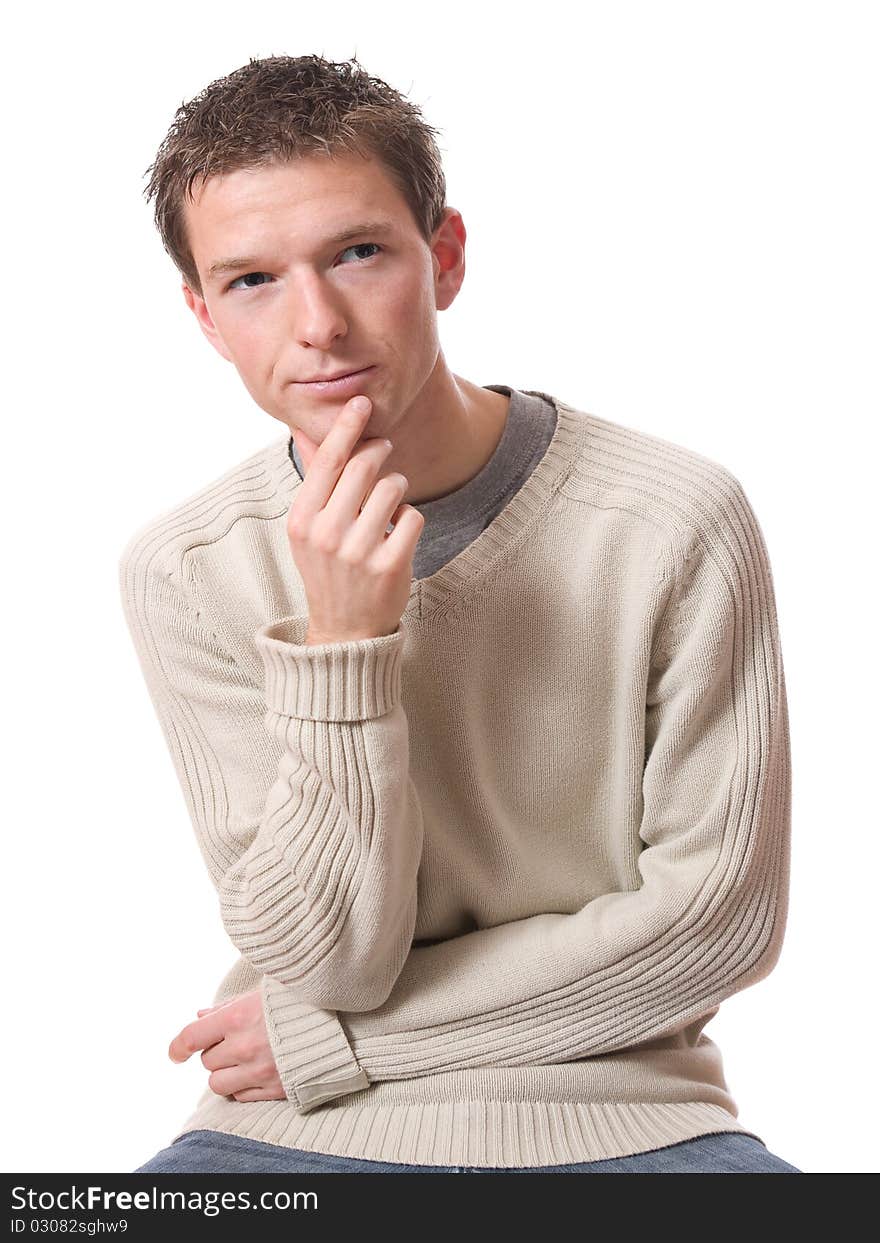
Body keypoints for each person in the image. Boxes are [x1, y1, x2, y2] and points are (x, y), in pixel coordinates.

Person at [119, 53, 801, 1174]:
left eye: (357, 254)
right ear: (203, 317)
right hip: (288, 1131)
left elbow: (713, 926)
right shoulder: (187, 568)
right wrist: (341, 648)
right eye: (253, 281)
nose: (319, 325)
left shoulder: (674, 519)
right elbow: (327, 957)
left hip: (626, 1111)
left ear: (443, 256)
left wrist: (329, 1041)